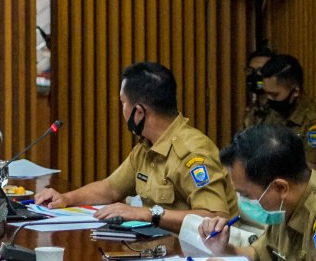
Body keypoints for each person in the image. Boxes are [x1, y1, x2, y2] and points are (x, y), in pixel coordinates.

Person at [34, 62, 238, 232]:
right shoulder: (148, 147)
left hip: (197, 259)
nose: (122, 110)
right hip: (159, 249)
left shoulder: (192, 153)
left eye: (123, 103)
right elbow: (110, 188)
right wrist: (66, 198)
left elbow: (215, 217)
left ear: (139, 112)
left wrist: (148, 214)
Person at [189, 124, 316, 261]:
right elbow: (260, 255)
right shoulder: (284, 205)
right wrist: (225, 250)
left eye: (246, 194)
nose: (243, 202)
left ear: (280, 187)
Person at [244, 54, 316, 166]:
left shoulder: (311, 122)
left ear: (295, 91)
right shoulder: (267, 114)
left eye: (274, 95)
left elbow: (309, 170)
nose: (269, 99)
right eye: (267, 93)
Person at [243, 45, 277, 127]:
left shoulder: (282, 111)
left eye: (261, 70)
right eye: (251, 70)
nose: (255, 75)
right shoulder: (251, 111)